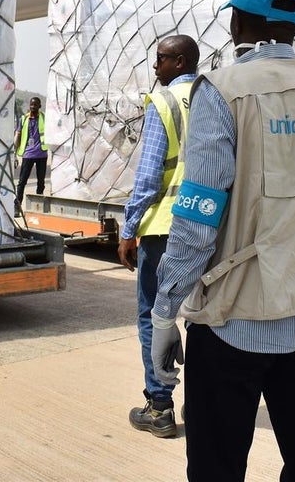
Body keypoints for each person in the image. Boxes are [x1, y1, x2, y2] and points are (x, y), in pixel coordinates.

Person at [149, 0, 295, 481]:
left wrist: (163, 312)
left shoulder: (223, 90)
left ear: (238, 22)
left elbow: (198, 218)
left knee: (218, 466)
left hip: (232, 320)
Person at [119, 34, 200, 438]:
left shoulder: (164, 102)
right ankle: (204, 403)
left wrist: (128, 228)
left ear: (180, 61)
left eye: (161, 59)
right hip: (207, 225)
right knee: (203, 317)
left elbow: (150, 175)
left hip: (165, 226)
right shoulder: (216, 100)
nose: (156, 67)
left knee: (155, 313)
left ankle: (160, 405)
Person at [13, 97, 47, 210]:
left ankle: (38, 207)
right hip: (28, 155)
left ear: (39, 106)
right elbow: (18, 135)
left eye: (35, 105)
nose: (33, 107)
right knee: (22, 181)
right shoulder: (23, 119)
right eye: (31, 105)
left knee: (41, 182)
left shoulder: (44, 118)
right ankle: (17, 206)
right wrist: (15, 152)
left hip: (41, 154)